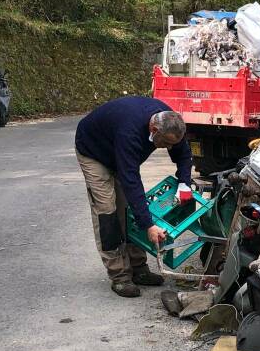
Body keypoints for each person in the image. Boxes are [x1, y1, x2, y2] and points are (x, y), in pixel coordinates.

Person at [75, 97, 192, 298]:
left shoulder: (171, 122)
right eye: (165, 143)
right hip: (94, 152)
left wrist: (184, 183)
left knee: (129, 210)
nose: (168, 148)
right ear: (153, 131)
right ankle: (119, 276)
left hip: (119, 150)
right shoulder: (130, 133)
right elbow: (130, 179)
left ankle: (139, 269)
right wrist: (148, 225)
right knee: (108, 212)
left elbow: (183, 154)